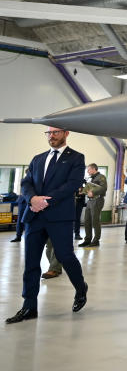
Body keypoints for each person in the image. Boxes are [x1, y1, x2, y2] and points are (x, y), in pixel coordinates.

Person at [6, 126, 88, 324]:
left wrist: (46, 201)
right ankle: (29, 307)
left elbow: (72, 184)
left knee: (65, 256)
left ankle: (80, 288)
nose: (51, 136)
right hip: (34, 216)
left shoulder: (76, 158)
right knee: (31, 263)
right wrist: (33, 198)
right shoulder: (38, 158)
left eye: (56, 132)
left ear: (66, 133)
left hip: (59, 216)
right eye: (49, 133)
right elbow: (26, 183)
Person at [78, 164, 107, 247]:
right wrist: (83, 191)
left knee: (95, 221)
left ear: (94, 169)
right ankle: (87, 240)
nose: (87, 171)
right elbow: (88, 187)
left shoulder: (101, 177)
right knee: (87, 221)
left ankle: (96, 240)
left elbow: (103, 188)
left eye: (89, 169)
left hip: (97, 200)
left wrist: (93, 192)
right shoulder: (91, 178)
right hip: (90, 201)